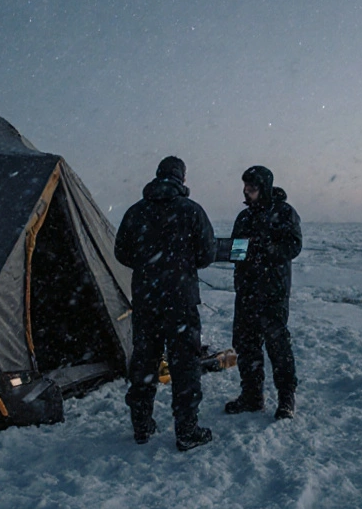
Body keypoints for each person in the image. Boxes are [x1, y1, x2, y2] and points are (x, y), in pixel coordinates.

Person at [114, 156, 217, 451]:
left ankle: (142, 426)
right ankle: (186, 430)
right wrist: (182, 265)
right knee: (184, 364)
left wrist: (148, 267)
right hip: (180, 300)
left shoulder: (136, 211)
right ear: (181, 179)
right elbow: (208, 253)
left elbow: (121, 251)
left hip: (147, 300)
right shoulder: (191, 211)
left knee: (145, 360)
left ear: (158, 175)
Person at [225, 165, 303, 420]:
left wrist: (267, 248)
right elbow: (236, 253)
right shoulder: (244, 217)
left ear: (264, 188)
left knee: (278, 347)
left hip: (273, 293)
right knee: (246, 346)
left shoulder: (284, 213)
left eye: (253, 188)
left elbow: (293, 246)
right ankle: (252, 396)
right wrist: (236, 252)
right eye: (245, 188)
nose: (247, 193)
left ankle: (286, 398)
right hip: (246, 292)